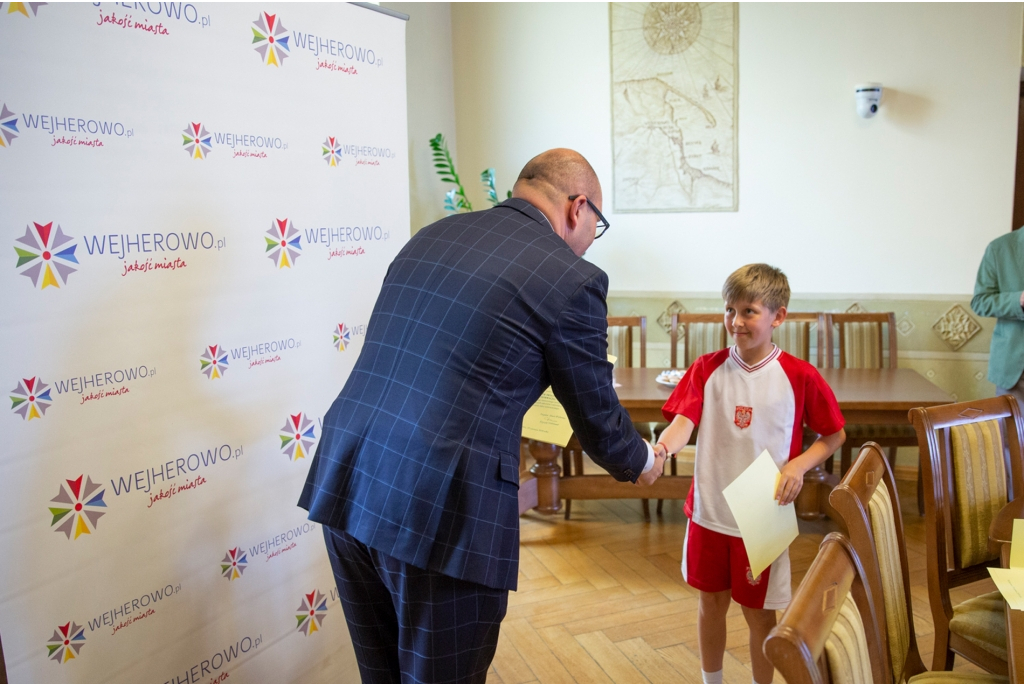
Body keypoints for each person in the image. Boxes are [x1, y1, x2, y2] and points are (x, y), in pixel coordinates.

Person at [298, 149, 667, 683]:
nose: (591, 237)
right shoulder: (571, 277)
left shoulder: (431, 236)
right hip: (440, 510)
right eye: (597, 224)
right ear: (577, 206)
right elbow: (596, 413)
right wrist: (643, 461)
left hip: (351, 479)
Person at [651, 264, 846, 685]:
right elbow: (684, 421)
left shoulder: (800, 376)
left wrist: (797, 464)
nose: (736, 322)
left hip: (763, 514)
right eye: (729, 310)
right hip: (710, 509)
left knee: (760, 616)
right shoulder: (706, 368)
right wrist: (664, 447)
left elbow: (833, 435)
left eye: (749, 311)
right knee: (710, 604)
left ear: (778, 316)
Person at [971, 227, 1024, 407]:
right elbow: (980, 301)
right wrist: (1019, 300)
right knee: (1012, 435)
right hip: (1015, 368)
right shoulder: (1000, 248)